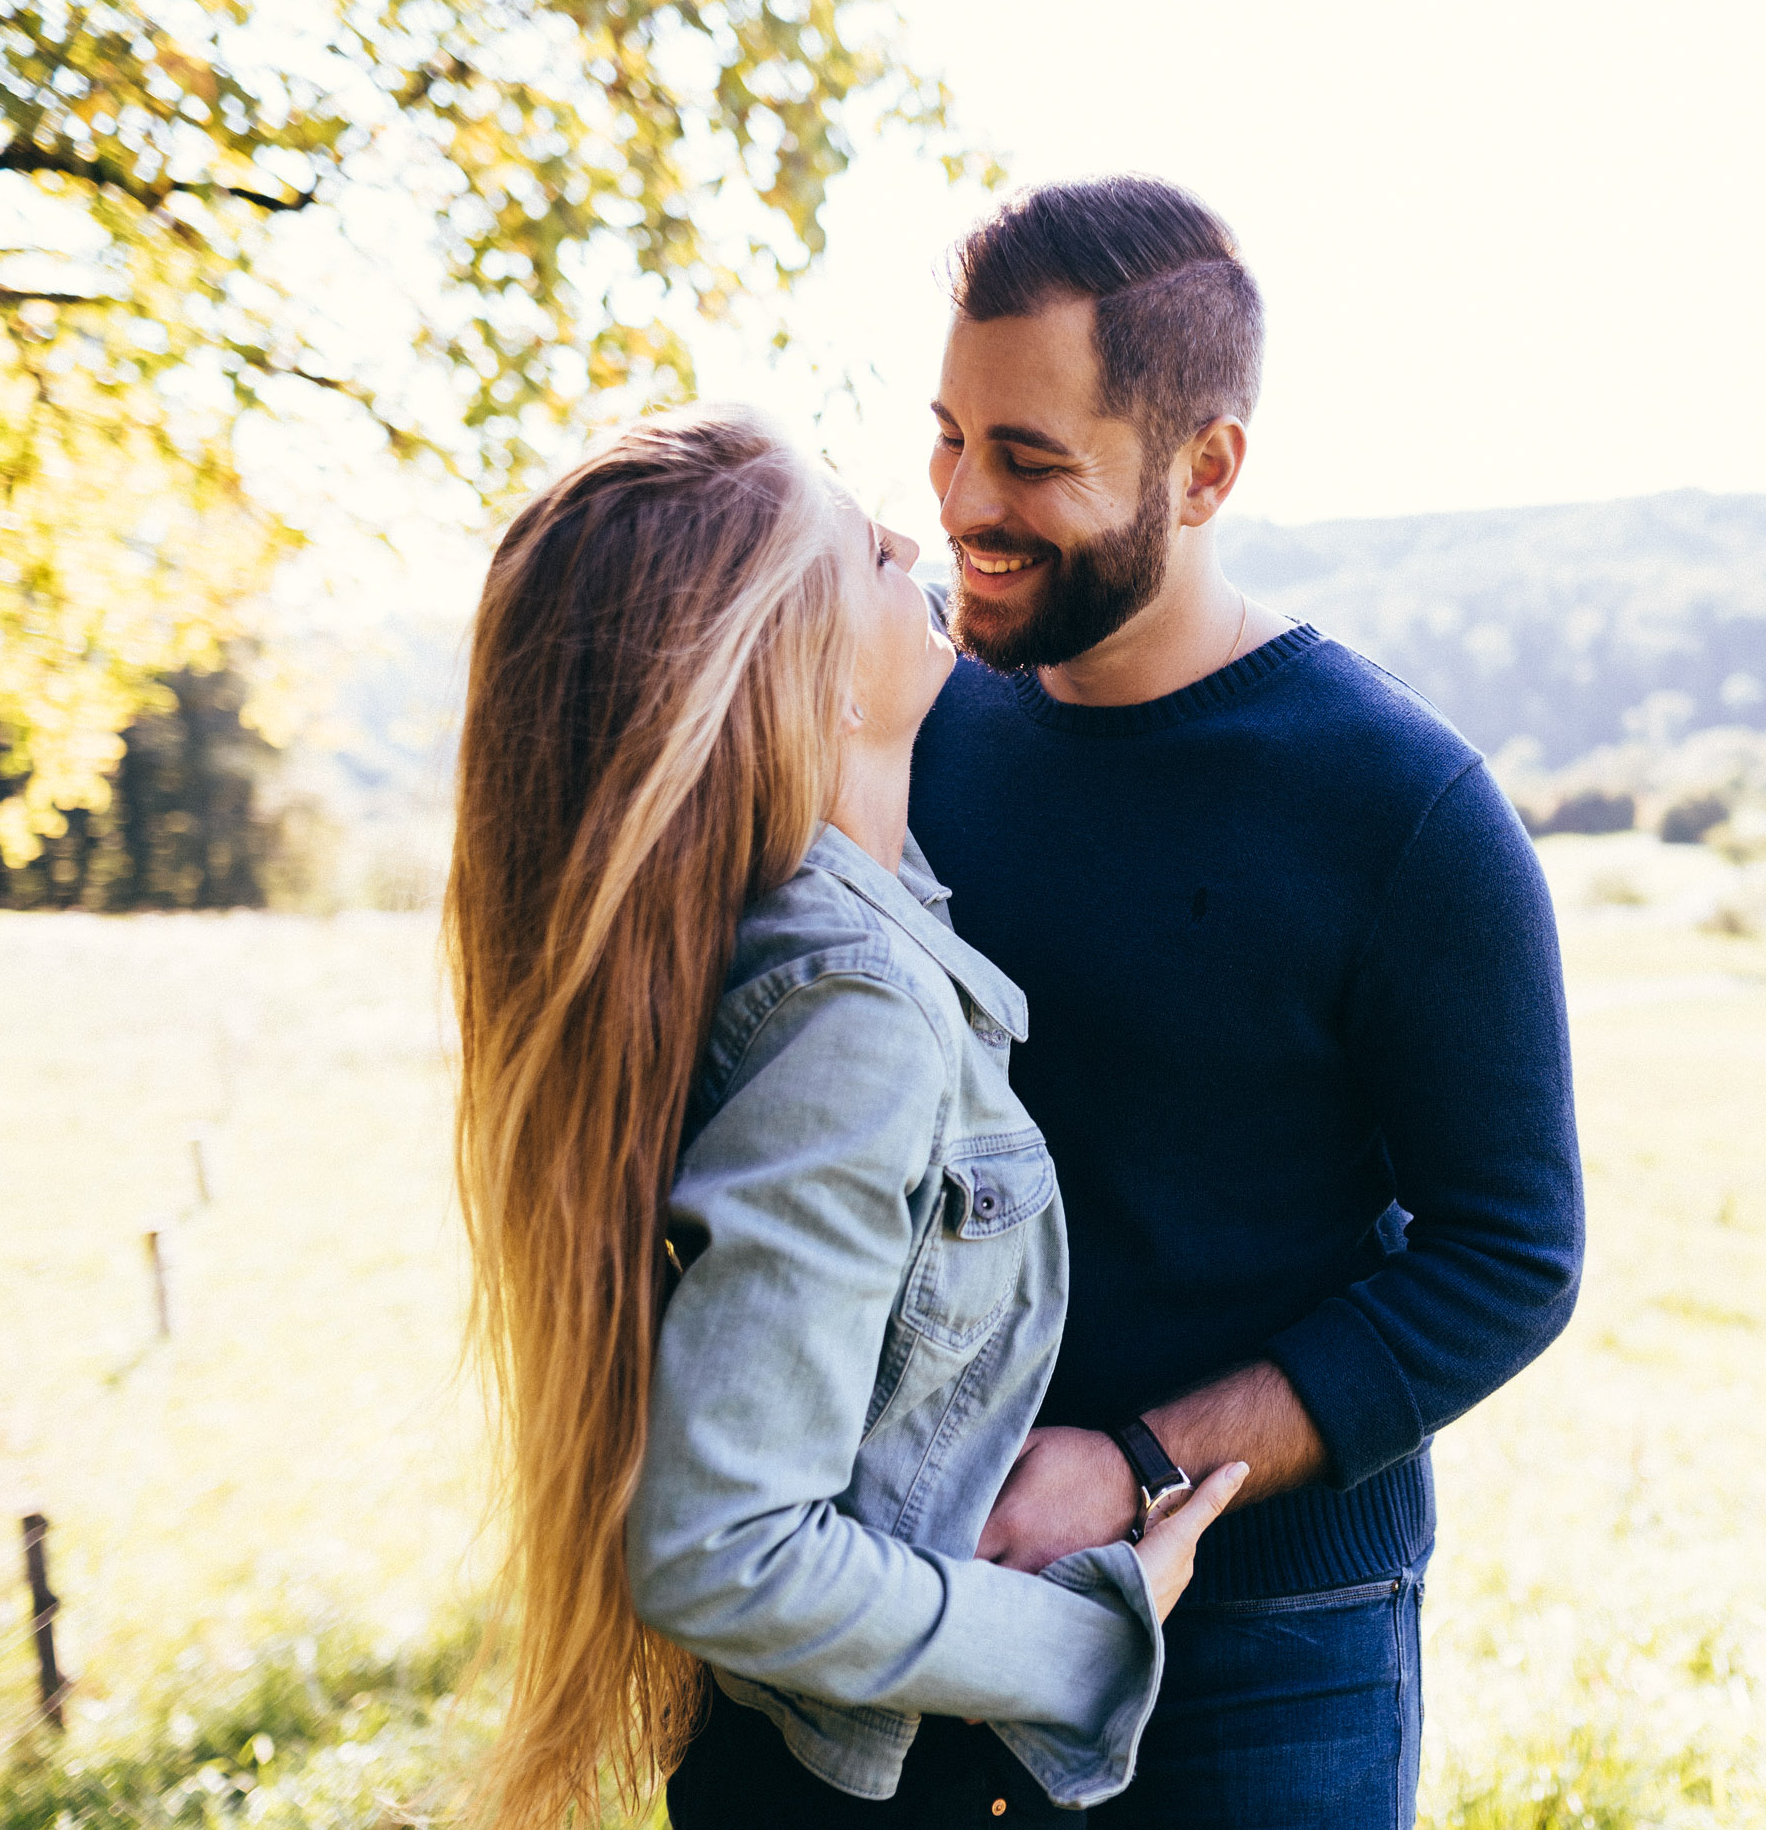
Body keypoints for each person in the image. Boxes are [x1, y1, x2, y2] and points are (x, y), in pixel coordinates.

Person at [444, 405, 1245, 1830]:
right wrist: (1089, 1636)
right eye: (868, 552)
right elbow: (722, 1551)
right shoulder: (854, 1015)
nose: (917, 535)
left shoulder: (810, 937)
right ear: (812, 684)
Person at [910, 177, 1587, 1824]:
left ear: (1206, 468)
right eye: (946, 436)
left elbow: (1512, 1254)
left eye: (1032, 459)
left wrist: (1138, 1462)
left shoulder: (1399, 808)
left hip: (1265, 1645)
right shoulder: (893, 713)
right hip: (907, 1606)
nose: (960, 506)